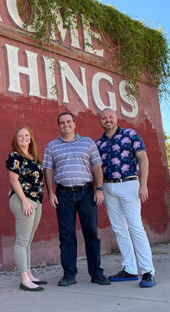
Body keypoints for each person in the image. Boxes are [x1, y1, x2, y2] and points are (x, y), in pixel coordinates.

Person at [42, 112, 110, 287]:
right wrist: (51, 193)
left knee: (91, 234)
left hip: (87, 192)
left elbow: (97, 166)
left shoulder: (87, 142)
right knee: (66, 236)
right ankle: (69, 274)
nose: (66, 125)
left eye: (68, 121)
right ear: (59, 126)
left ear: (74, 124)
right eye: (62, 123)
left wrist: (99, 190)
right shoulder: (51, 146)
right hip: (63, 195)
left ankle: (96, 273)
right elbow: (48, 170)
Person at [96, 109, 156, 288]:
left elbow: (143, 159)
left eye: (110, 117)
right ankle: (129, 269)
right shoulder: (98, 143)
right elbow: (97, 169)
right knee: (119, 229)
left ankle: (148, 271)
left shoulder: (130, 135)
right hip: (108, 186)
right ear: (101, 121)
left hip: (128, 184)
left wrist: (143, 184)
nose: (108, 120)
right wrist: (99, 189)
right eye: (104, 118)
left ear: (116, 118)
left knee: (135, 227)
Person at [6, 126, 47, 292]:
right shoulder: (14, 156)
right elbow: (14, 180)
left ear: (31, 137)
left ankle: (29, 274)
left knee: (28, 241)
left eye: (26, 135)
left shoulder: (34, 158)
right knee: (22, 241)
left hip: (36, 200)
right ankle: (24, 279)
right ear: (16, 139)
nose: (24, 138)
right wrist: (24, 201)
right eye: (20, 136)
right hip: (24, 200)